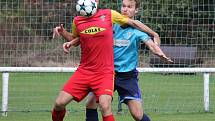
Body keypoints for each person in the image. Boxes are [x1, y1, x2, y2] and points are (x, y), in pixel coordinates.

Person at [51, 0, 165, 121]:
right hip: (103, 72)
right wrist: (67, 38)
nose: (125, 9)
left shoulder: (134, 29)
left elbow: (144, 35)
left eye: (129, 7)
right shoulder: (110, 23)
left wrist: (155, 39)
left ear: (136, 10)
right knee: (91, 103)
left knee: (136, 114)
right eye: (123, 6)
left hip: (125, 75)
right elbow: (83, 36)